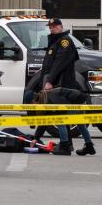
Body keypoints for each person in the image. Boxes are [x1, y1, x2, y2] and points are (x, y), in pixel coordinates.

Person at [32, 18, 81, 155]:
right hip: (53, 83)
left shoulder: (65, 41)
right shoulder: (55, 42)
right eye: (50, 27)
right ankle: (68, 144)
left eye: (54, 26)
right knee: (58, 113)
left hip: (61, 84)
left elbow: (60, 62)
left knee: (59, 113)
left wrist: (50, 81)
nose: (52, 28)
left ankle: (66, 145)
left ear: (61, 26)